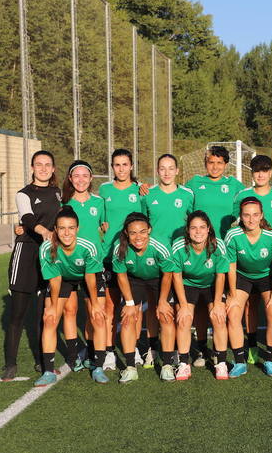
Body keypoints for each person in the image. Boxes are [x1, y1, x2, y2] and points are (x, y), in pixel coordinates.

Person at [3, 151, 61, 380]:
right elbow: (26, 218)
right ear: (32, 167)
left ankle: (41, 361)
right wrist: (43, 231)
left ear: (54, 168)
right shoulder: (23, 194)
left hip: (48, 255)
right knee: (17, 314)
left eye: (48, 164)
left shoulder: (57, 193)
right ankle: (10, 364)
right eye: (39, 164)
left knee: (42, 315)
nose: (44, 168)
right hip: (26, 254)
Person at [34, 206, 109, 386]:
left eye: (70, 228)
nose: (66, 233)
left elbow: (90, 277)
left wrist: (95, 304)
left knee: (98, 317)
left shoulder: (88, 247)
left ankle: (98, 366)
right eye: (61, 228)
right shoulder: (46, 247)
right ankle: (48, 370)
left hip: (89, 276)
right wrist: (52, 305)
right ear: (55, 229)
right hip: (62, 277)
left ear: (77, 228)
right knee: (50, 319)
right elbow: (55, 279)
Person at [185, 145, 245, 367]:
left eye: (220, 163)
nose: (215, 166)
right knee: (202, 304)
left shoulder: (235, 186)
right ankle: (201, 349)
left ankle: (232, 347)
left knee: (227, 301)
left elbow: (252, 204)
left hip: (225, 252)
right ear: (205, 162)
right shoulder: (193, 184)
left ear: (226, 165)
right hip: (198, 250)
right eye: (211, 162)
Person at [233, 155, 272, 364]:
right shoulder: (242, 195)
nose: (260, 174)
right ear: (252, 173)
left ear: (271, 173)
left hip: (271, 261)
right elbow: (236, 224)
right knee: (249, 306)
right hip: (248, 259)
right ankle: (251, 346)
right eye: (257, 170)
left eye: (265, 170)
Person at [141, 154, 194, 367]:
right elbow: (142, 224)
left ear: (177, 171)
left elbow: (195, 222)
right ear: (157, 171)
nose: (166, 172)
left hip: (181, 258)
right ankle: (152, 349)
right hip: (156, 258)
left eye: (171, 168)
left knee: (184, 304)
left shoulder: (188, 195)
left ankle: (187, 350)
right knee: (155, 304)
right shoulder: (147, 194)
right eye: (162, 168)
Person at [111, 212, 175, 383]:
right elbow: (121, 276)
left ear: (149, 230)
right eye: (133, 233)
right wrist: (130, 303)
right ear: (126, 233)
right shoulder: (119, 248)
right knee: (127, 317)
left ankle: (167, 365)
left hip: (158, 278)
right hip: (134, 280)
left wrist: (162, 301)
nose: (138, 237)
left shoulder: (160, 245)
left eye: (142, 232)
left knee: (166, 315)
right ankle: (130, 367)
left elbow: (168, 275)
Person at [224, 197, 272, 377]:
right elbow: (231, 267)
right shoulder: (232, 235)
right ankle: (240, 361)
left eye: (255, 215)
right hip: (242, 276)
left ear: (262, 216)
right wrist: (233, 294)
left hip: (267, 277)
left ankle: (270, 360)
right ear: (240, 217)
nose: (251, 219)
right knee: (233, 312)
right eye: (246, 215)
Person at [169, 211, 230, 381]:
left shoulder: (218, 245)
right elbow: (177, 276)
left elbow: (220, 276)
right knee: (184, 318)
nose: (198, 231)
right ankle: (183, 364)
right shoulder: (179, 245)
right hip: (188, 285)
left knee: (218, 317)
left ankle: (221, 363)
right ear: (187, 230)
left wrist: (218, 303)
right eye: (194, 228)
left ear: (209, 229)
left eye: (202, 227)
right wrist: (182, 306)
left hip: (211, 285)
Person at [62, 161, 109, 371]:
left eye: (85, 176)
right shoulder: (63, 203)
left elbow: (105, 227)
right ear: (71, 179)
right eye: (76, 176)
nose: (81, 180)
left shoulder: (99, 203)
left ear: (91, 179)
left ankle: (92, 353)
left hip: (93, 265)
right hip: (69, 265)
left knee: (94, 312)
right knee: (70, 311)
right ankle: (73, 357)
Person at [99, 149, 144, 368]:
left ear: (131, 166)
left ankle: (133, 348)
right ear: (112, 167)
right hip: (109, 255)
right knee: (110, 307)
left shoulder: (140, 190)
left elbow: (145, 222)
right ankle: (108, 351)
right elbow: (100, 218)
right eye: (117, 165)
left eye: (125, 164)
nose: (121, 169)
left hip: (132, 258)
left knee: (134, 307)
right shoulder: (104, 189)